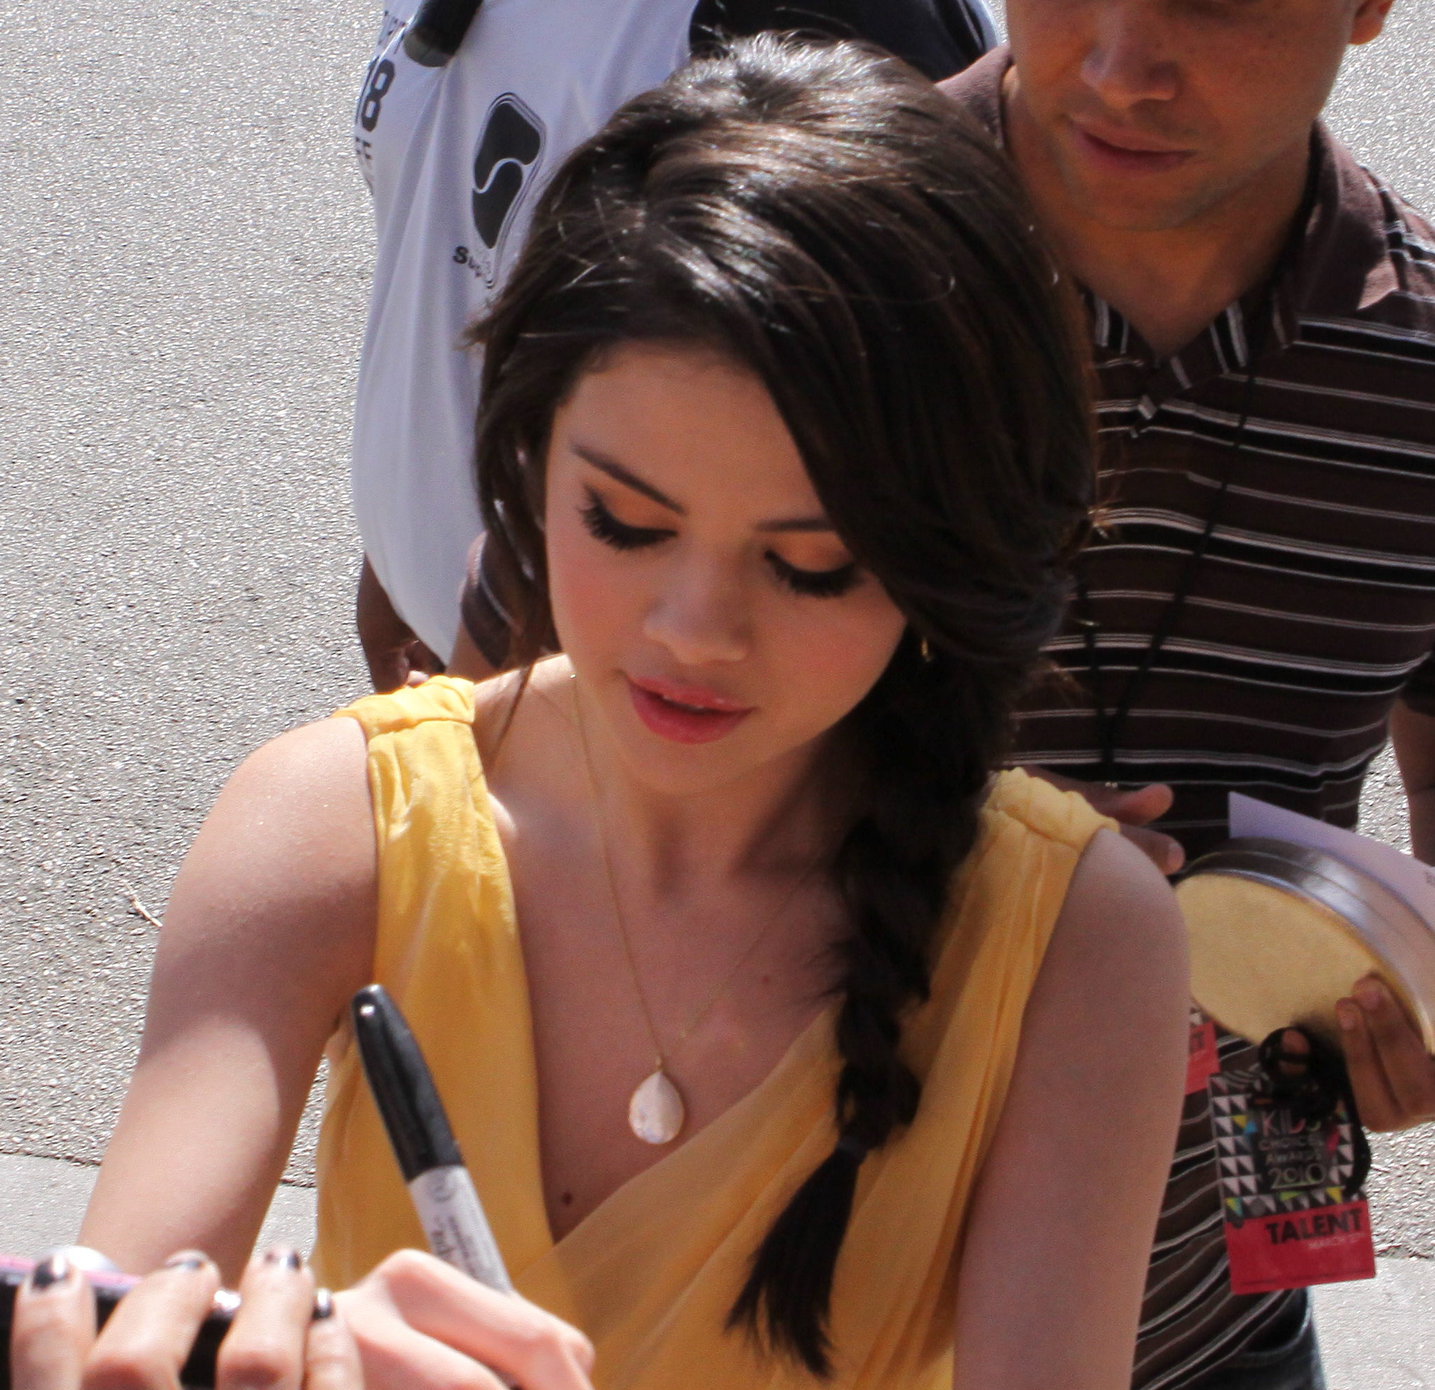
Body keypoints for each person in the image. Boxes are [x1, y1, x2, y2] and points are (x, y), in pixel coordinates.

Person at [39, 39, 1189, 1390]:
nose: (693, 629)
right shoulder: (334, 821)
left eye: (810, 564)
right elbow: (114, 1315)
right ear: (531, 463)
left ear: (951, 558)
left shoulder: (1074, 938)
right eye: (623, 522)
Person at [928, 2, 1435, 1386]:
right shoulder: (788, 273)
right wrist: (900, 855)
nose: (1114, 65)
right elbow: (510, 753)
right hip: (786, 1298)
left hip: (1211, 1315)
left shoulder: (1415, 373)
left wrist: (1417, 991)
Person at [350, 0, 997, 689]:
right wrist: (397, 549)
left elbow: (890, 442)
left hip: (627, 703)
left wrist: (527, 716)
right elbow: (452, 228)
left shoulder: (814, 22)